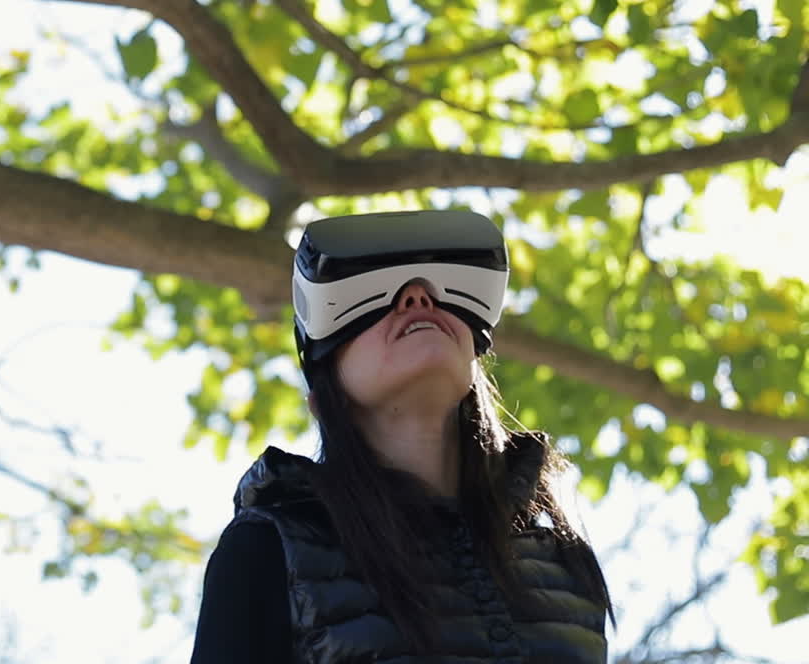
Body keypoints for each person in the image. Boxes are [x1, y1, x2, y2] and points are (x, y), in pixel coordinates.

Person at [190, 210, 614, 663]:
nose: (417, 296)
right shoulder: (266, 552)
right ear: (322, 399)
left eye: (439, 291)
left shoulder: (565, 563)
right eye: (370, 297)